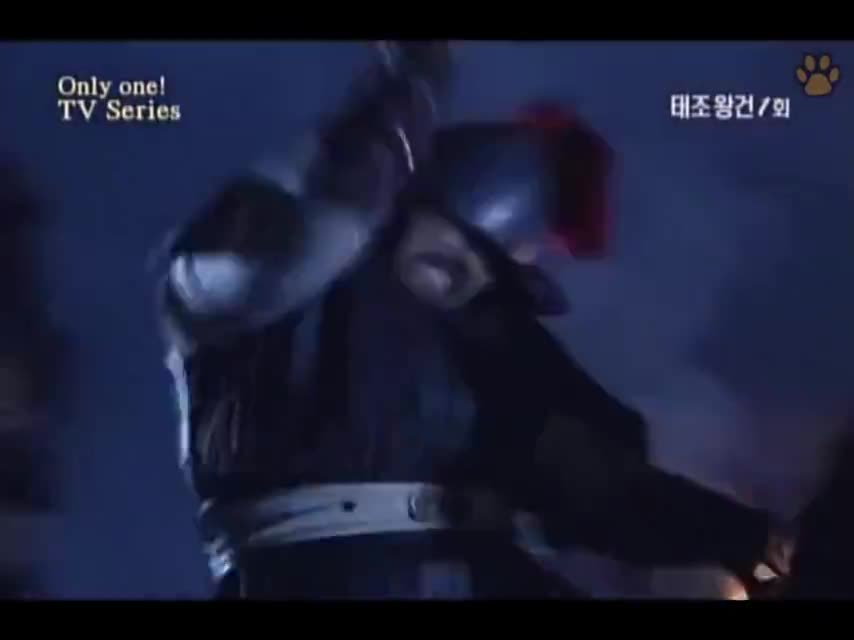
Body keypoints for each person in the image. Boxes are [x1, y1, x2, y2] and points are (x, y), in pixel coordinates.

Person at [157, 42, 790, 599]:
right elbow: (321, 223)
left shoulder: (485, 337)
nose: (463, 284)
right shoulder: (260, 275)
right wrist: (415, 75)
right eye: (448, 258)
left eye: (485, 271)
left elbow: (596, 484)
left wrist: (750, 540)